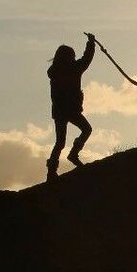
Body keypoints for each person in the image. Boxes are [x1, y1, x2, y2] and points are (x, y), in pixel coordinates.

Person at [46, 32, 96, 179]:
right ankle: (73, 154)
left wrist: (90, 44)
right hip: (70, 110)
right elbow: (86, 59)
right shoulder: (73, 68)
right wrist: (91, 43)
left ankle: (52, 170)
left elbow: (85, 60)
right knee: (86, 130)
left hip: (60, 111)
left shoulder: (54, 72)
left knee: (60, 142)